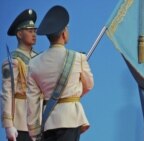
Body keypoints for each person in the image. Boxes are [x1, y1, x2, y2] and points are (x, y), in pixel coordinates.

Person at [26, 5, 94, 141]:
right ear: (64, 33)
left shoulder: (34, 63)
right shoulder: (78, 58)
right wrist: (72, 93)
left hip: (48, 122)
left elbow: (32, 100)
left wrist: (34, 132)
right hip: (71, 119)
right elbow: (89, 85)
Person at [1, 9, 38, 141]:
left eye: (35, 31)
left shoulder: (41, 59)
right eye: (29, 31)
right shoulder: (12, 62)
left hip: (40, 121)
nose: (34, 34)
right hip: (22, 123)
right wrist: (8, 125)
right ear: (19, 34)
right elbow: (7, 93)